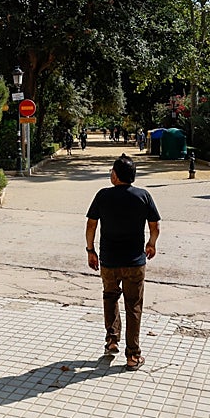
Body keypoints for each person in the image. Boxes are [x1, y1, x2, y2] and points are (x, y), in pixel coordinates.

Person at [85, 154, 161, 370]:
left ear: (116, 175)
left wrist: (90, 250)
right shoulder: (143, 196)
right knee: (133, 306)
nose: (110, 174)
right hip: (135, 262)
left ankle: (112, 340)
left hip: (109, 261)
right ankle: (133, 355)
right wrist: (151, 244)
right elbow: (155, 226)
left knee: (110, 298)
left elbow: (91, 226)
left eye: (112, 171)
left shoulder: (103, 196)